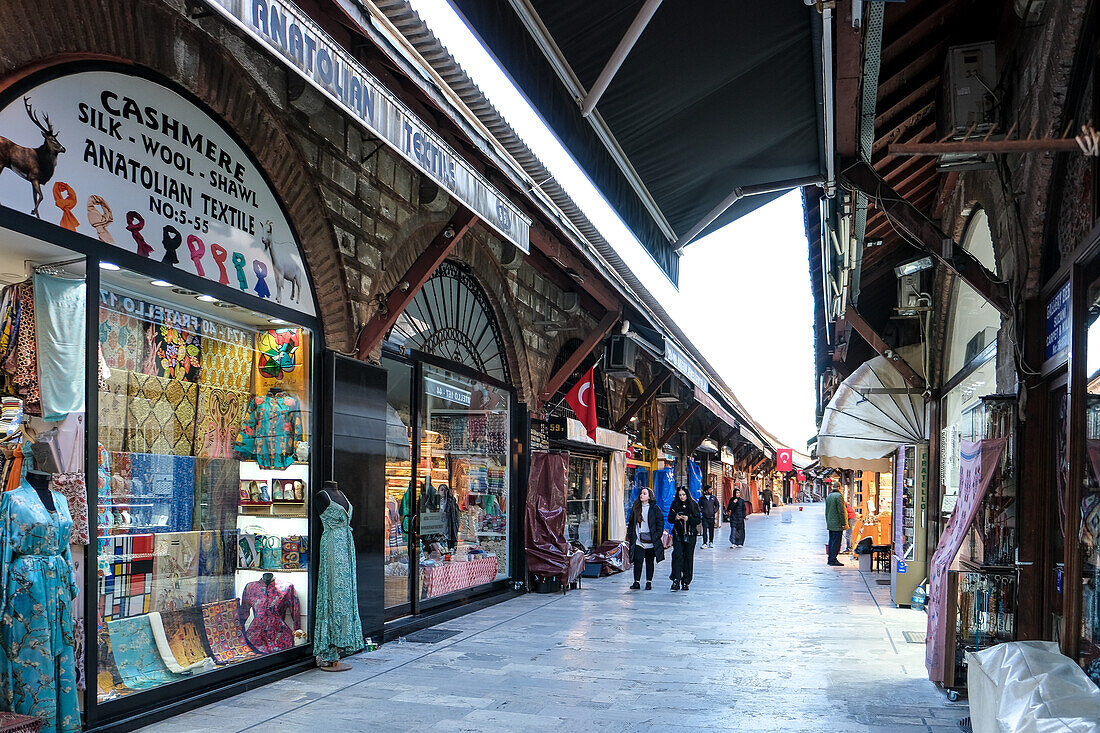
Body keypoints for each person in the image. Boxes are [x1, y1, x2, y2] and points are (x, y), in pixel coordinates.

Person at [626, 487, 665, 590]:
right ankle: (636, 582)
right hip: (638, 540)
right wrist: (631, 535)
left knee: (649, 561)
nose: (641, 495)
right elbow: (631, 522)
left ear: (649, 496)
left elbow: (660, 523)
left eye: (644, 493)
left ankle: (649, 582)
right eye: (641, 493)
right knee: (638, 561)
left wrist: (657, 536)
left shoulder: (655, 509)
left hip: (651, 540)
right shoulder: (636, 507)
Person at [667, 486, 701, 591]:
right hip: (678, 534)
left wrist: (688, 518)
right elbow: (669, 519)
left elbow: (698, 520)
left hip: (690, 535)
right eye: (680, 495)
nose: (682, 497)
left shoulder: (693, 504)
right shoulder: (675, 505)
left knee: (688, 557)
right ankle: (676, 579)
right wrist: (676, 517)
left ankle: (686, 581)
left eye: (683, 495)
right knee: (677, 556)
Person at [825, 485, 846, 566]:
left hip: (831, 522)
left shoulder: (829, 496)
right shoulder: (839, 497)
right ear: (839, 488)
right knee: (836, 542)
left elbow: (827, 510)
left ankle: (830, 558)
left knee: (831, 541)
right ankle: (833, 559)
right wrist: (844, 522)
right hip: (837, 523)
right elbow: (841, 511)